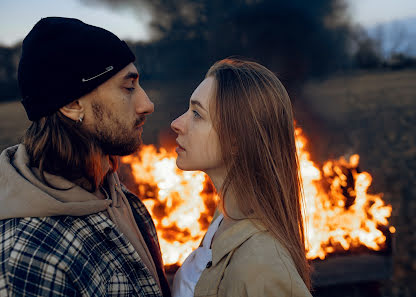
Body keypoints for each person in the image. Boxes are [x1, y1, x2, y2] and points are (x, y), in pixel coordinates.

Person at [0, 17, 170, 297]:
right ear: (72, 104)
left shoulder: (114, 193)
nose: (147, 104)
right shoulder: (28, 260)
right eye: (128, 88)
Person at [170, 58, 312, 297]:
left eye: (197, 114)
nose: (176, 123)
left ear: (236, 140)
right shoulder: (224, 217)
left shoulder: (262, 266)